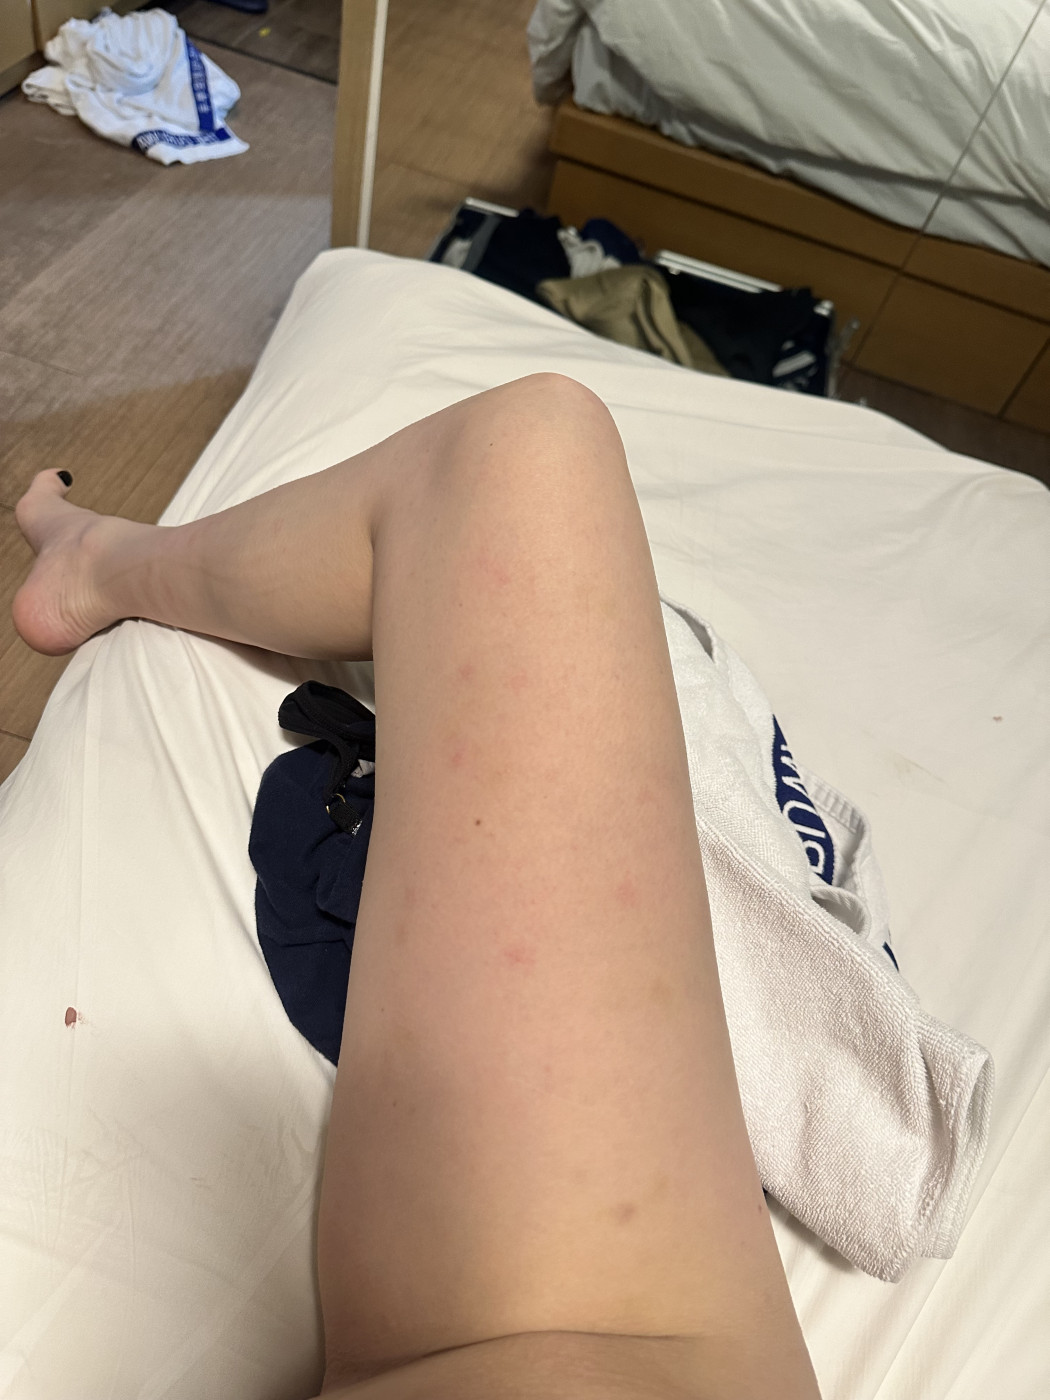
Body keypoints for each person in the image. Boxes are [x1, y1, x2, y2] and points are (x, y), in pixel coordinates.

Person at [13, 373, 822, 1400]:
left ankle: (101, 560)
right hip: (643, 1348)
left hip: (593, 1344)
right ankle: (99, 561)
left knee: (520, 458)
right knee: (528, 455)